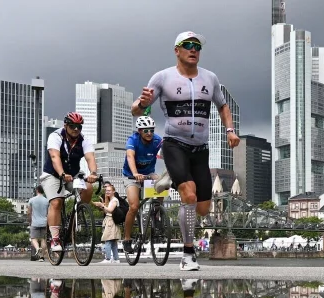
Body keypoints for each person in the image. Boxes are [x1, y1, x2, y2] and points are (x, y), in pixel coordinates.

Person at [133, 31, 240, 271]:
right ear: (176, 50)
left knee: (202, 208)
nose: (194, 49)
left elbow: (223, 106)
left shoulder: (210, 78)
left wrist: (230, 130)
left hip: (200, 149)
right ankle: (188, 253)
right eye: (188, 45)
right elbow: (136, 111)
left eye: (197, 46)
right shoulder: (162, 78)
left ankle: (173, 177)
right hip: (174, 144)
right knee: (189, 196)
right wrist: (141, 102)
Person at [40, 112, 100, 252]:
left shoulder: (83, 140)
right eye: (72, 126)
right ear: (65, 125)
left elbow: (90, 158)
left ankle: (76, 216)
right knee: (56, 202)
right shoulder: (55, 136)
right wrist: (62, 173)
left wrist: (93, 173)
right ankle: (55, 239)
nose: (76, 129)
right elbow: (55, 157)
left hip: (73, 175)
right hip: (53, 174)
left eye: (79, 127)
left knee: (88, 188)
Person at [122, 116, 163, 253]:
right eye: (146, 130)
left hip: (149, 173)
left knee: (163, 184)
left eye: (151, 130)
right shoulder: (133, 140)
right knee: (133, 207)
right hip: (131, 175)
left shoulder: (157, 140)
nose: (149, 133)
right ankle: (127, 239)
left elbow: (167, 155)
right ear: (139, 131)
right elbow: (130, 156)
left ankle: (156, 213)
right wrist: (135, 173)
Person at [93, 182, 121, 263]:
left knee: (107, 240)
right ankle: (116, 259)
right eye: (106, 191)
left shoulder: (114, 200)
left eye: (109, 190)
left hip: (111, 221)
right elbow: (106, 212)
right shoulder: (112, 200)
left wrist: (102, 205)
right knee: (113, 242)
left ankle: (108, 258)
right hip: (110, 220)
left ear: (113, 192)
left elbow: (110, 210)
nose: (107, 192)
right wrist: (102, 205)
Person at [27, 185, 49, 262]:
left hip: (34, 222)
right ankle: (42, 257)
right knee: (43, 239)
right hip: (44, 222)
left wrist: (29, 221)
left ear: (37, 190)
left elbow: (29, 212)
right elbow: (48, 213)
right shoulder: (47, 201)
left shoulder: (31, 200)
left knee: (33, 238)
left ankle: (37, 248)